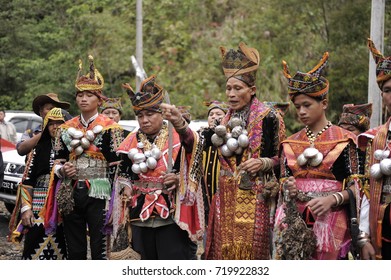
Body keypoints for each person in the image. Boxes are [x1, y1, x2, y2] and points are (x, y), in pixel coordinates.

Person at [177, 42, 284, 260]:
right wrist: (179, 124)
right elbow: (195, 143)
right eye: (228, 88)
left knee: (252, 254)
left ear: (252, 90)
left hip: (256, 196)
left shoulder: (269, 117)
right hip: (225, 196)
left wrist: (264, 163)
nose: (231, 94)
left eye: (238, 88)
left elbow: (282, 158)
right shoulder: (221, 123)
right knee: (223, 253)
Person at [273, 52, 360, 260]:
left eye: (307, 105)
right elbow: (283, 180)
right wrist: (288, 186)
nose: (301, 111)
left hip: (332, 219)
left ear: (324, 104)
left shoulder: (346, 140)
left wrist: (333, 199)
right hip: (296, 219)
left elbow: (360, 188)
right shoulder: (290, 143)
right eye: (297, 107)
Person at [116, 75, 204, 260]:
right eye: (140, 116)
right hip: (139, 214)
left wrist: (179, 178)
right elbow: (124, 173)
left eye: (150, 114)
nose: (144, 120)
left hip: (172, 215)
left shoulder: (179, 137)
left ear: (161, 114)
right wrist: (126, 187)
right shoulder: (130, 142)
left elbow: (193, 160)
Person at [46, 55, 124, 260]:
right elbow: (58, 160)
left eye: (89, 95)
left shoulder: (111, 128)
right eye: (80, 95)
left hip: (100, 191)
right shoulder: (65, 127)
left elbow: (117, 164)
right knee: (75, 247)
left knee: (100, 246)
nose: (83, 99)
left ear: (99, 99)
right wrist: (62, 170)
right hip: (71, 190)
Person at [8, 108, 71, 259]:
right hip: (38, 204)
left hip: (64, 205)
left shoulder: (74, 149)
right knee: (34, 245)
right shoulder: (38, 149)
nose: (55, 127)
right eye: (51, 124)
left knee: (64, 247)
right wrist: (25, 209)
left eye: (59, 124)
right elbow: (27, 181)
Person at [357, 39, 391, 260]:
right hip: (384, 225)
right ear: (382, 96)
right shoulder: (375, 138)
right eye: (388, 90)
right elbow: (368, 190)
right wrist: (363, 237)